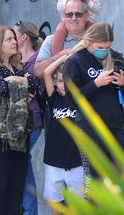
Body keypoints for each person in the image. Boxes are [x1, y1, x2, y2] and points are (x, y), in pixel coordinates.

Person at [63, 23, 124, 177]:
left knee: (123, 176)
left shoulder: (117, 59)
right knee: (94, 178)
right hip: (90, 128)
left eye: (107, 47)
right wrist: (96, 84)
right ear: (89, 42)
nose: (103, 51)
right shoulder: (75, 61)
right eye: (100, 47)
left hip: (115, 126)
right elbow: (72, 99)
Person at [0, 25, 40, 215]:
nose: (15, 42)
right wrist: (23, 83)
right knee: (0, 185)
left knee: (16, 185)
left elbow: (36, 82)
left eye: (14, 38)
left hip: (19, 131)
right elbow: (1, 89)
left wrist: (18, 81)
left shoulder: (17, 67)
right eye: (9, 39)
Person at [42, 55, 83, 214]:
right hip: (54, 161)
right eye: (60, 81)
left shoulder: (80, 99)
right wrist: (64, 58)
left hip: (77, 161)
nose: (63, 85)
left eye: (67, 81)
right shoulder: (54, 99)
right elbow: (46, 73)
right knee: (56, 204)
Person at [13, 21, 45, 215]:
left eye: (13, 34)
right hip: (17, 123)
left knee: (23, 167)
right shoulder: (16, 61)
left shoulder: (35, 62)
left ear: (23, 37)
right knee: (21, 167)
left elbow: (35, 91)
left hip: (31, 122)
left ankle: (29, 211)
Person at [34, 0, 91, 79]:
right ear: (64, 16)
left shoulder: (96, 41)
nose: (73, 18)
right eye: (69, 14)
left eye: (78, 14)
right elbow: (37, 73)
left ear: (86, 16)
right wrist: (59, 57)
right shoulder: (50, 41)